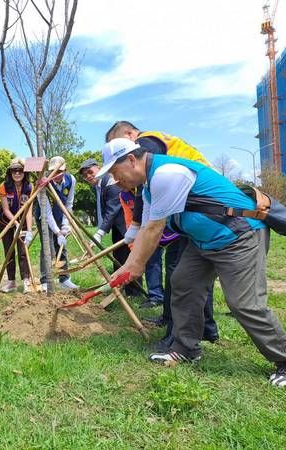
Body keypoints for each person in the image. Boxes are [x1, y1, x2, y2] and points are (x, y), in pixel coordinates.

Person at [101, 137, 286, 387]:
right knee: (183, 283)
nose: (115, 179)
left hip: (238, 236)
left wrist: (136, 267)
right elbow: (144, 229)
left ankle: (283, 359)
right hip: (203, 242)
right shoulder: (148, 188)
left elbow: (155, 229)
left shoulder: (167, 174)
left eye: (115, 171)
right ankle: (186, 348)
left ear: (132, 160)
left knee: (245, 303)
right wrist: (126, 267)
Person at [105, 121, 218, 350]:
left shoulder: (145, 144)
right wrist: (136, 229)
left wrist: (136, 232)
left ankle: (180, 334)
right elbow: (146, 193)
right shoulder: (157, 143)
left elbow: (143, 188)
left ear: (129, 135)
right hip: (188, 207)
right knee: (182, 272)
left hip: (201, 205)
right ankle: (189, 324)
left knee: (182, 275)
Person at [78, 158, 139, 295]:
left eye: (90, 172)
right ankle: (123, 287)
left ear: (98, 168)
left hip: (126, 225)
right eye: (85, 175)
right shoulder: (99, 186)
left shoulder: (110, 182)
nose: (88, 176)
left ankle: (135, 291)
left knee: (130, 256)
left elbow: (112, 209)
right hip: (117, 227)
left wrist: (99, 232)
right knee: (119, 257)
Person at [34, 156, 79, 290]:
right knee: (47, 247)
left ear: (65, 170)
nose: (57, 175)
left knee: (62, 248)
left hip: (60, 215)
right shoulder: (42, 184)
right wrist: (57, 232)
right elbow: (47, 212)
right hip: (44, 218)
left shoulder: (71, 180)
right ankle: (45, 280)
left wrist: (65, 225)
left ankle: (64, 278)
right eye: (54, 171)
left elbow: (68, 204)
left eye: (60, 171)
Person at [0, 158, 34, 294]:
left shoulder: (29, 187)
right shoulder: (4, 186)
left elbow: (29, 210)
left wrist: (29, 230)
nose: (17, 173)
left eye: (20, 170)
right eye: (14, 171)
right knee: (9, 252)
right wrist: (16, 223)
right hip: (6, 222)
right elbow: (6, 209)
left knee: (23, 252)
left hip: (23, 221)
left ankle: (26, 280)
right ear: (10, 172)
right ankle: (11, 282)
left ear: (24, 172)